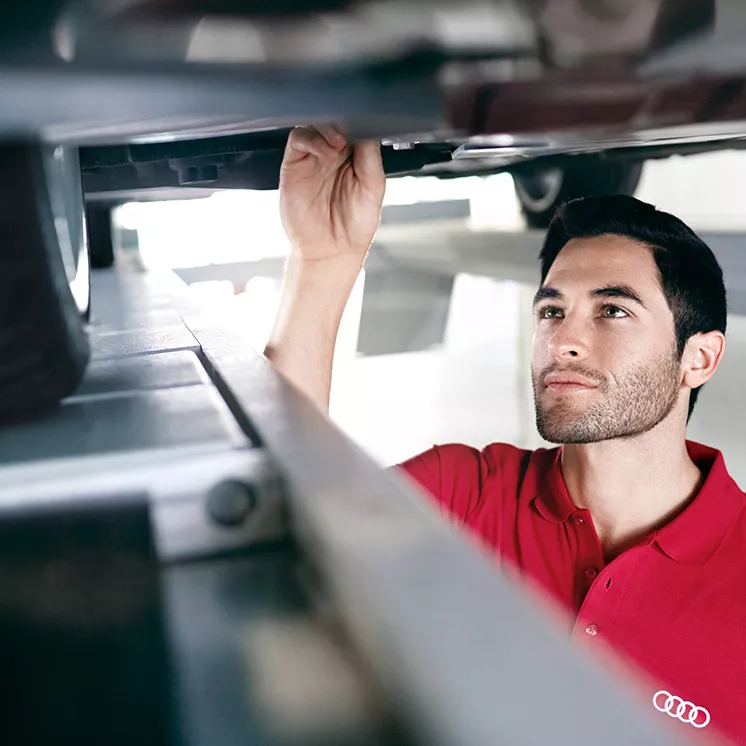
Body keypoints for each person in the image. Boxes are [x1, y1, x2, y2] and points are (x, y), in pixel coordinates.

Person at [265, 125, 746, 745]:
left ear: (699, 359)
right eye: (552, 310)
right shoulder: (463, 494)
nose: (563, 340)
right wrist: (321, 261)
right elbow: (272, 528)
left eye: (612, 310)